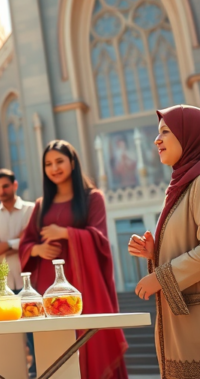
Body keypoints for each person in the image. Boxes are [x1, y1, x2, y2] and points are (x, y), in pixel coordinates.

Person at [128, 105, 200, 378]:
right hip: (185, 317)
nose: (157, 140)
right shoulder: (184, 184)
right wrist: (155, 252)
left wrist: (159, 277)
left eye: (166, 132)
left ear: (190, 135)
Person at [19, 140, 128, 379]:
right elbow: (26, 243)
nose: (54, 168)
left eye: (59, 161)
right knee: (56, 351)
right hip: (49, 287)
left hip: (84, 285)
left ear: (72, 163)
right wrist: (36, 251)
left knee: (89, 341)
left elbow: (100, 239)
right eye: (48, 164)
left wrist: (65, 233)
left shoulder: (93, 198)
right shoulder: (41, 205)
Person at [0, 168, 36, 376]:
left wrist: (5, 244)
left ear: (15, 185)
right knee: (11, 335)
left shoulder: (31, 210)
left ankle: (38, 371)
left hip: (32, 282)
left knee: (34, 334)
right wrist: (18, 240)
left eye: (5, 186)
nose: (1, 191)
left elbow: (34, 241)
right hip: (5, 287)